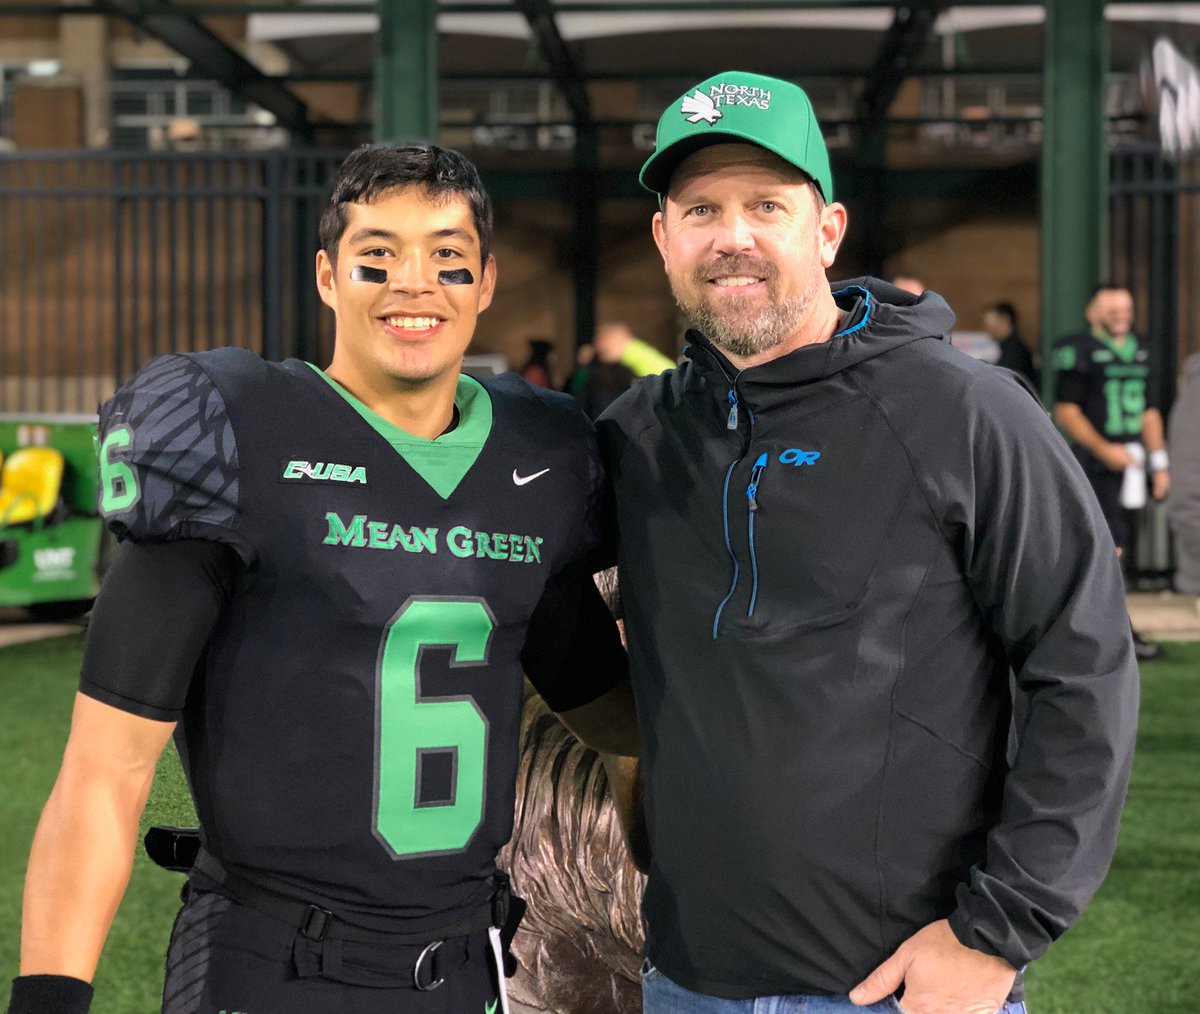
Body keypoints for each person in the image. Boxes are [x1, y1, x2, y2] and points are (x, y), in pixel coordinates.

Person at [9, 144, 638, 1014]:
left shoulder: (543, 454)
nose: (414, 285)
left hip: (467, 963)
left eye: (448, 260)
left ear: (487, 282)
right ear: (328, 276)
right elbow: (104, 771)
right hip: (272, 959)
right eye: (376, 258)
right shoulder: (235, 436)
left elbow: (613, 707)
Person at [596, 71, 1139, 1014]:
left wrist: (997, 932)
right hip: (687, 979)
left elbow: (1083, 665)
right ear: (664, 238)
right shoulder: (636, 434)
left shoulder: (963, 411)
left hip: (894, 990)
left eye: (768, 204)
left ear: (828, 230)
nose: (734, 236)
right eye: (702, 210)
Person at [1051, 283, 1171, 660]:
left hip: (1132, 464)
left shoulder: (1144, 348)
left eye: (1126, 309)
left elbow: (1149, 411)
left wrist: (1159, 461)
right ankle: (1110, 631)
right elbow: (1066, 410)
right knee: (1107, 546)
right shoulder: (1078, 349)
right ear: (1092, 312)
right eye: (1112, 309)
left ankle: (1118, 628)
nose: (1122, 316)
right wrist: (1105, 450)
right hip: (1095, 463)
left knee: (1125, 546)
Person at [982, 301, 1037, 388]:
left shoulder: (1016, 353)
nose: (987, 327)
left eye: (990, 321)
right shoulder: (1009, 350)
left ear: (1005, 320)